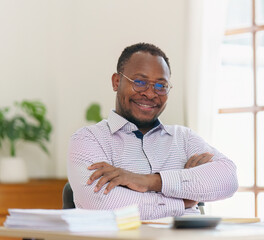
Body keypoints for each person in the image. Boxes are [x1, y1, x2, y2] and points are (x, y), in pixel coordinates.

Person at [68, 43, 238, 220]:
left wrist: (150, 181)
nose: (150, 94)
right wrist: (184, 201)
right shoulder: (88, 140)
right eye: (140, 82)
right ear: (116, 82)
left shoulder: (184, 138)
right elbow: (103, 205)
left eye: (160, 86)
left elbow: (228, 179)